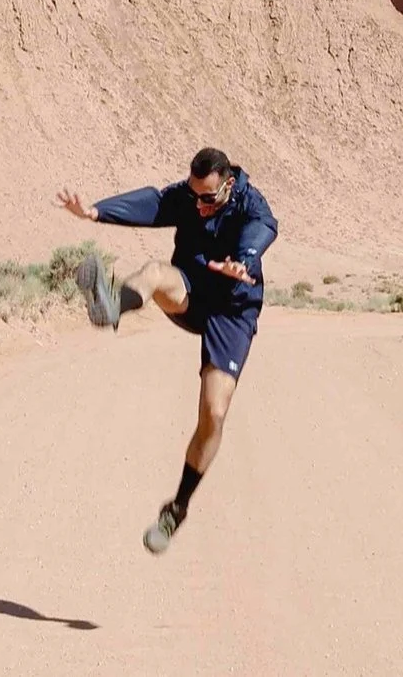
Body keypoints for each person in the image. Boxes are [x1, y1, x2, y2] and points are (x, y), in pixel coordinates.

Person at [57, 148, 278, 554]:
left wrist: (242, 261)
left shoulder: (252, 205)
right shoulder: (193, 196)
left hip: (232, 309)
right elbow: (156, 202)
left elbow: (262, 231)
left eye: (208, 198)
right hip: (190, 292)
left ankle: (177, 509)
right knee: (157, 272)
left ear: (228, 185)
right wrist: (94, 212)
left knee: (214, 412)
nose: (199, 205)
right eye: (194, 196)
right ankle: (111, 305)